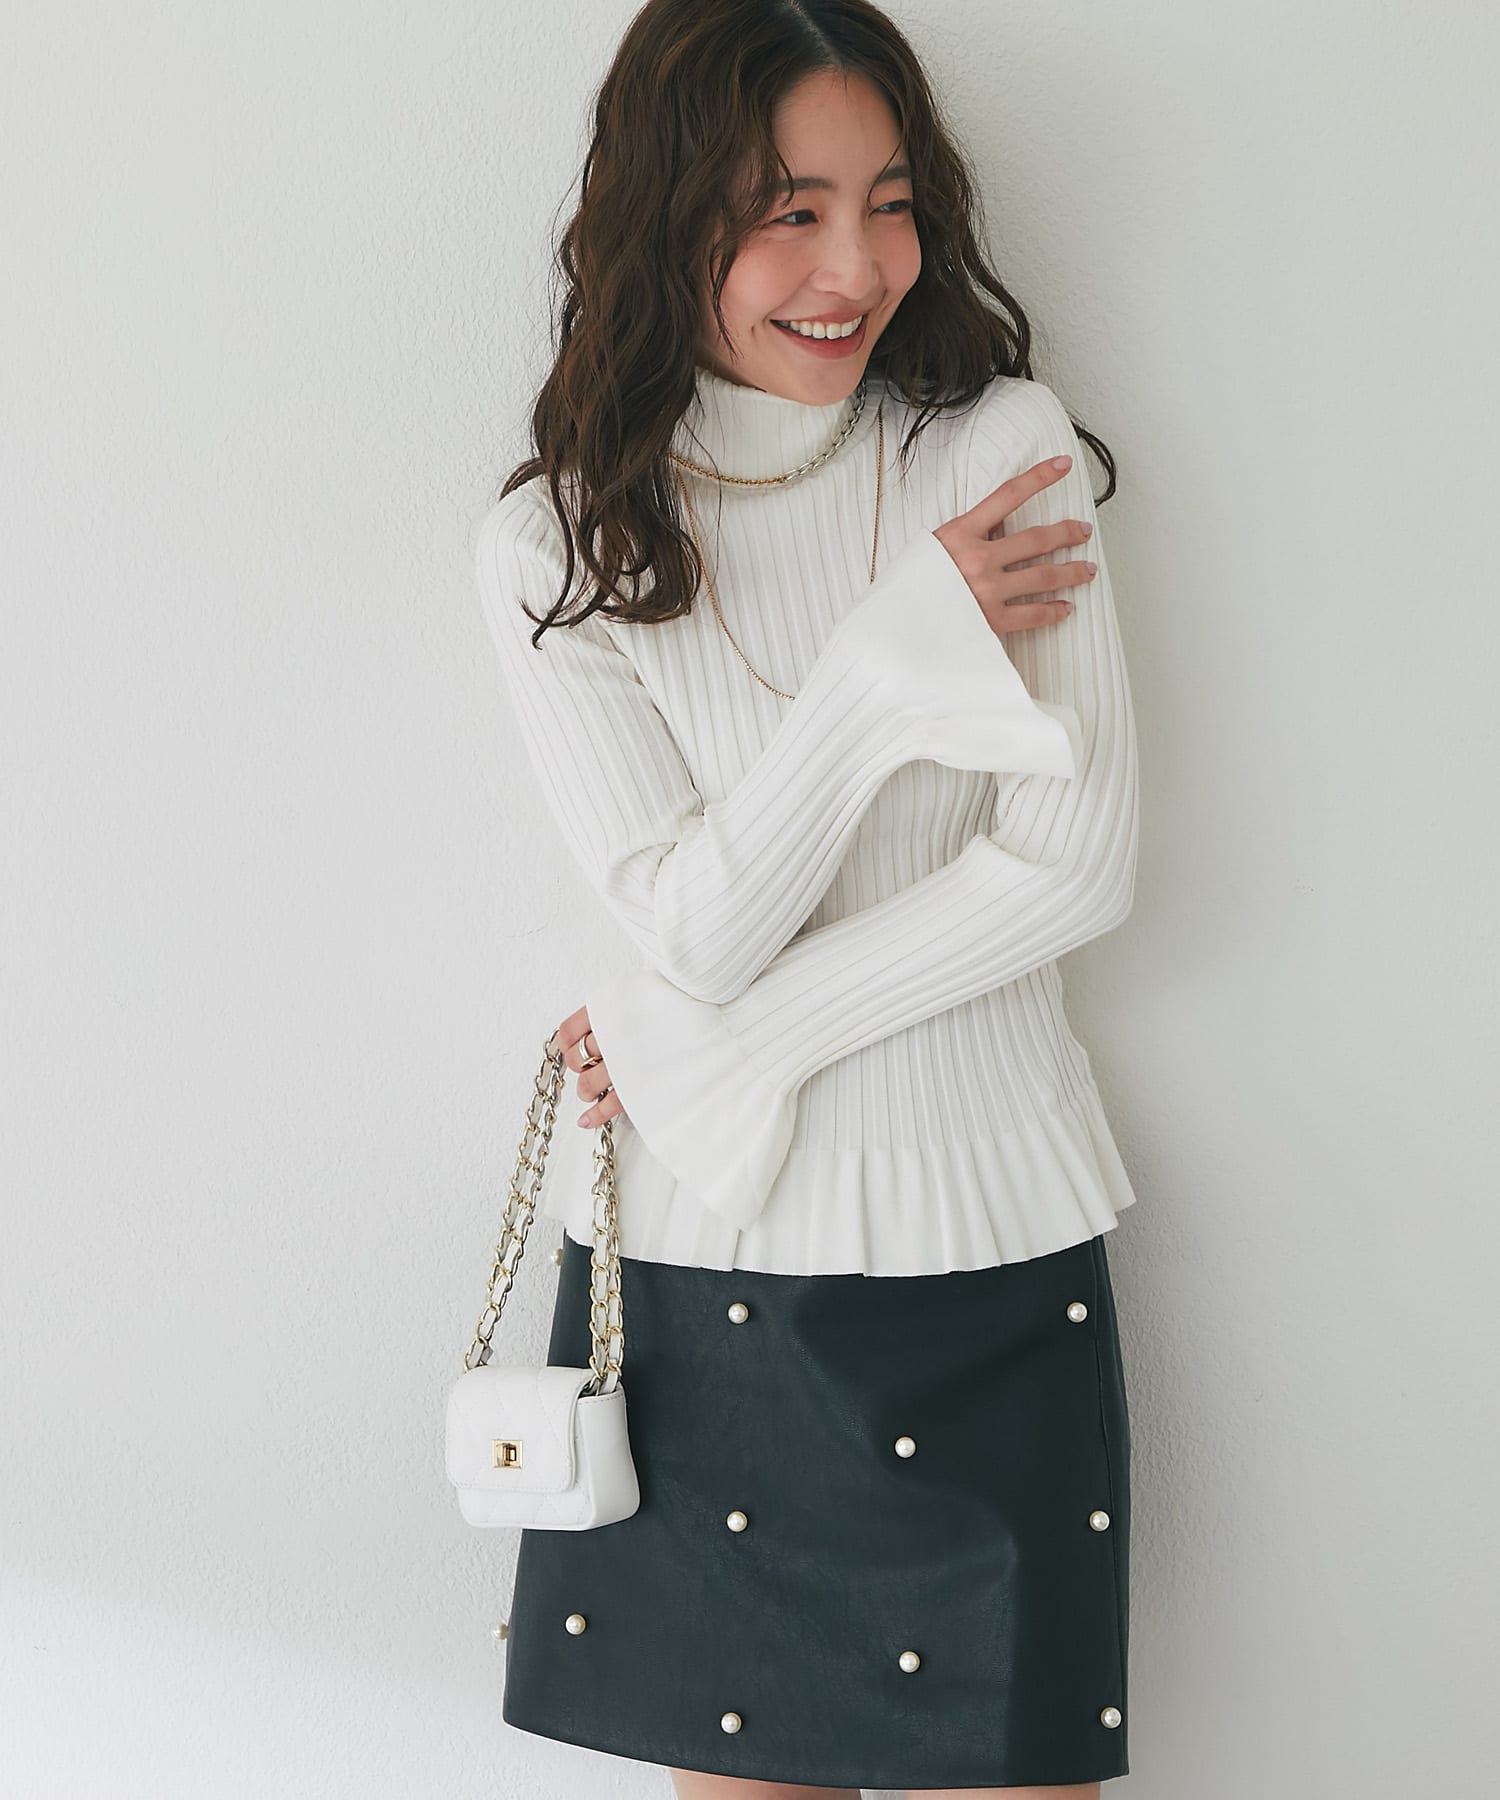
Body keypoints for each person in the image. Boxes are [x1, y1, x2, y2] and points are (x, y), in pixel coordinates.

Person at [472, 3, 1140, 1796]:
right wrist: (890, 659)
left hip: (987, 1234)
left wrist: (714, 1046)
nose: (856, 267)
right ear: (664, 215)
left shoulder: (996, 446)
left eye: (890, 202)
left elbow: (1076, 865)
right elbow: (691, 926)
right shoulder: (558, 544)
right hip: (698, 1265)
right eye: (790, 212)